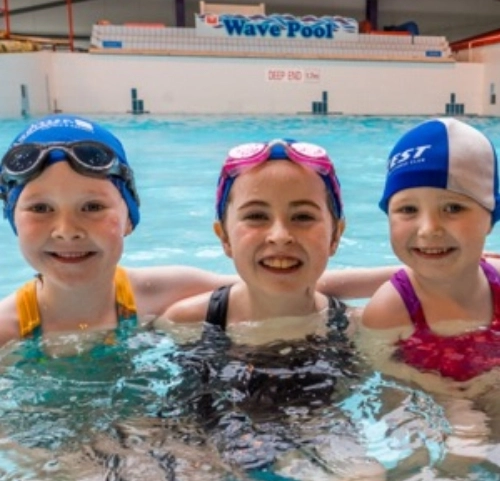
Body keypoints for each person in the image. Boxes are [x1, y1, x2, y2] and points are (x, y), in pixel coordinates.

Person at [0, 115, 393, 350]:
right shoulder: (7, 329)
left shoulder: (154, 292)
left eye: (92, 207)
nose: (67, 230)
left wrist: (415, 277)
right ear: (12, 219)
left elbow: (267, 282)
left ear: (130, 217)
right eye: (40, 208)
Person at [160, 138, 354, 339]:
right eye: (256, 216)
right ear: (224, 237)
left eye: (303, 217)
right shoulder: (186, 324)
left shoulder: (355, 330)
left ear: (335, 235)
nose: (280, 236)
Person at [361, 116, 500, 384]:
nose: (428, 229)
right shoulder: (389, 310)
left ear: (491, 218)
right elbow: (390, 396)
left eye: (453, 208)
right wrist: (449, 399)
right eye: (408, 209)